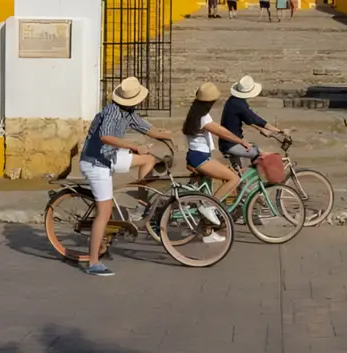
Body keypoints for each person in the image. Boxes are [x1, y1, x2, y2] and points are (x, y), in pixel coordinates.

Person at [79, 77, 173, 277]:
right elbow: (105, 137)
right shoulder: (112, 112)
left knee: (147, 160)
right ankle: (93, 263)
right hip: (96, 163)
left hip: (110, 156)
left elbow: (149, 129)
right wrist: (134, 146)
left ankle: (140, 207)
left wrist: (170, 135)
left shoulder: (129, 112)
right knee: (104, 212)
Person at [182, 82, 255, 242]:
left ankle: (207, 231)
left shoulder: (195, 113)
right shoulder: (202, 117)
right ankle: (209, 206)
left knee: (215, 184)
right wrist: (241, 142)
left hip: (200, 155)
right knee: (234, 179)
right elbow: (221, 132)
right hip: (199, 158)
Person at [219, 75, 288, 167]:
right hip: (231, 144)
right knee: (260, 154)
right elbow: (255, 119)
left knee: (240, 172)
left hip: (229, 141)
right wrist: (279, 130)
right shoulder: (239, 105)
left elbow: (248, 119)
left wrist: (262, 129)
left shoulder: (234, 100)